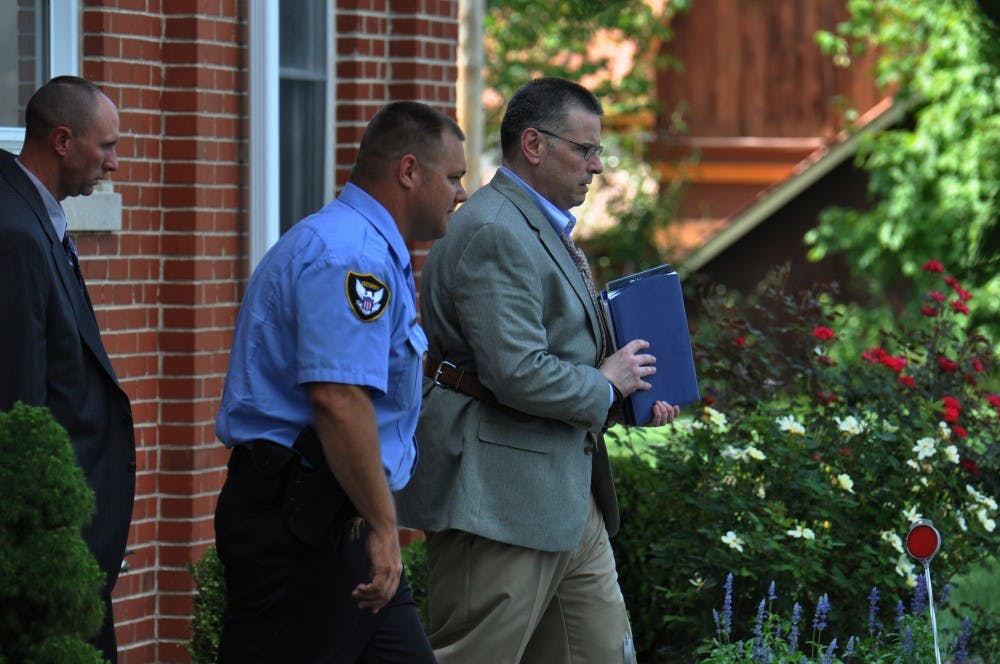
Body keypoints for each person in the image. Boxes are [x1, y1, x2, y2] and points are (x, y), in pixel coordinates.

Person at [395, 77, 681, 663]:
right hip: (499, 495)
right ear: (533, 144)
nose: (597, 165)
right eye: (585, 149)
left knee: (603, 655)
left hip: (568, 494)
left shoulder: (535, 227)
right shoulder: (496, 231)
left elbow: (563, 358)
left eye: (597, 151)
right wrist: (605, 384)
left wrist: (623, 398)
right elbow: (518, 370)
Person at [213, 100, 468, 662]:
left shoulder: (364, 248)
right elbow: (337, 397)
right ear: (408, 172)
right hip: (305, 525)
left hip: (334, 514)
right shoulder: (351, 256)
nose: (461, 193)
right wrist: (382, 525)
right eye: (453, 177)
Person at [0, 76, 135, 662]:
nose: (113, 165)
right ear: (61, 140)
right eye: (105, 148)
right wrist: (44, 553)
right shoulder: (15, 234)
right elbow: (20, 407)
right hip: (52, 552)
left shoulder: (32, 215)